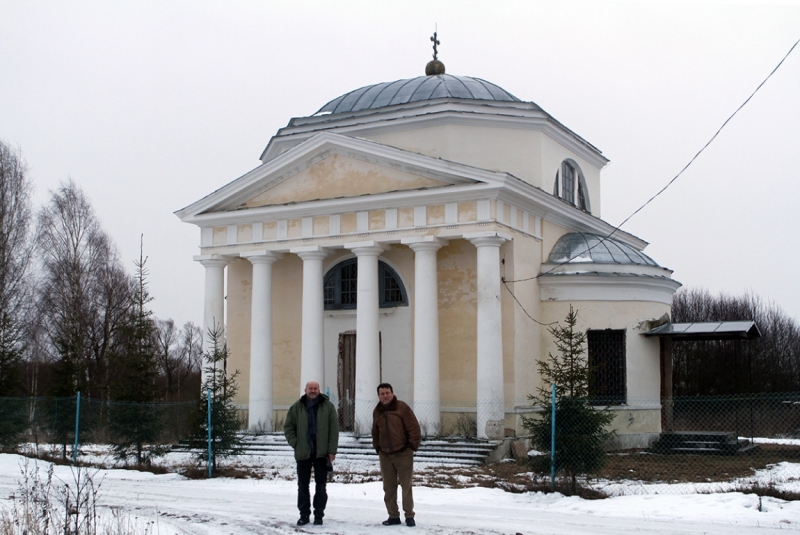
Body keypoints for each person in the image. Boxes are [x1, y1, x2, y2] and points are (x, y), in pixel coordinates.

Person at [284, 381, 339, 526]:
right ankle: (304, 515)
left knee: (321, 485)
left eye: (315, 388)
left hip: (322, 453)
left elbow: (334, 430)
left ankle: (319, 515)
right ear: (305, 390)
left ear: (319, 390)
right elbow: (288, 427)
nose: (313, 391)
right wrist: (295, 443)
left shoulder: (328, 407)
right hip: (303, 452)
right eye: (310, 388)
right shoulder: (297, 407)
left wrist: (332, 450)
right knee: (303, 485)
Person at [372, 382, 421, 527]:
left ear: (392, 393)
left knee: (406, 486)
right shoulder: (377, 411)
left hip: (403, 453)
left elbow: (414, 428)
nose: (385, 396)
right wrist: (378, 448)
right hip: (385, 454)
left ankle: (409, 515)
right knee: (389, 487)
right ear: (379, 396)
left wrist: (411, 447)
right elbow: (375, 432)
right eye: (382, 393)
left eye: (387, 392)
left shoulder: (402, 408)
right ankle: (393, 515)